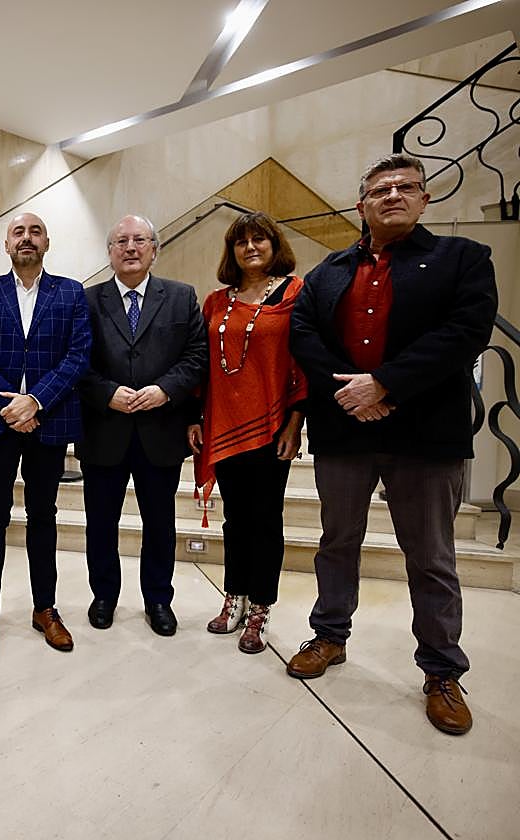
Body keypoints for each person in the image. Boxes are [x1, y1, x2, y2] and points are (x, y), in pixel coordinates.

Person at [287, 153, 497, 735]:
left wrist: (385, 384)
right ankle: (330, 636)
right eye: (381, 189)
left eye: (407, 187)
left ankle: (442, 671)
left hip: (426, 436)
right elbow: (303, 336)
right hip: (345, 433)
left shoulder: (463, 259)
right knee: (336, 543)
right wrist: (354, 394)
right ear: (362, 204)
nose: (394, 195)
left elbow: (465, 333)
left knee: (430, 558)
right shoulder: (326, 272)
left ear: (425, 199)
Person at [0, 212, 90, 664]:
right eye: (19, 232)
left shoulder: (71, 292)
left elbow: (78, 356)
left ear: (47, 242)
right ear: (7, 244)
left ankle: (45, 609)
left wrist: (35, 402)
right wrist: (10, 407)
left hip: (48, 420)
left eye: (35, 232)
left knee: (43, 515)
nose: (27, 239)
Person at [77, 215, 207, 637]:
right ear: (110, 251)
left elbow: (196, 356)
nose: (130, 248)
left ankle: (158, 599)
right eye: (120, 241)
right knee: (100, 522)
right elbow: (75, 360)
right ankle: (104, 596)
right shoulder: (86, 299)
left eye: (139, 240)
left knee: (159, 523)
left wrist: (166, 390)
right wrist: (105, 392)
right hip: (104, 429)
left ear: (154, 248)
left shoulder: (182, 297)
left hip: (161, 430)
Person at [187, 212, 307, 654]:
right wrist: (195, 417)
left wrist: (296, 421)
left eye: (260, 239)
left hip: (272, 426)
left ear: (276, 245)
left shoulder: (294, 292)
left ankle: (260, 607)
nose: (251, 247)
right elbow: (203, 365)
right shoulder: (217, 301)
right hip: (224, 423)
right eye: (241, 241)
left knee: (265, 521)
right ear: (231, 251)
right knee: (235, 519)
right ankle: (233, 596)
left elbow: (301, 362)